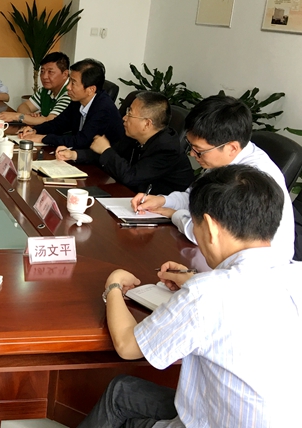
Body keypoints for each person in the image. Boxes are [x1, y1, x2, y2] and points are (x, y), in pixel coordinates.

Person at [86, 165, 300, 427]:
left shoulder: (206, 294)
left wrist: (113, 285)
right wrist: (194, 279)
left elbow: (128, 346)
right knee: (123, 392)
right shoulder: (295, 275)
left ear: (209, 226)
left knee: (121, 401)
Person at [132, 95, 294, 259]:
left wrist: (173, 214)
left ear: (231, 147)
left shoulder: (250, 179)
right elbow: (196, 197)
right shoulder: (226, 157)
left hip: (256, 267)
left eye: (199, 150)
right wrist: (163, 201)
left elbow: (208, 235)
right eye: (191, 146)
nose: (192, 154)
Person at [56, 91, 194, 194]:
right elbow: (110, 154)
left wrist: (105, 150)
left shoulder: (167, 149)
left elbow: (131, 177)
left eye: (130, 113)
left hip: (162, 212)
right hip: (131, 196)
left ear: (147, 123)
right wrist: (74, 154)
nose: (124, 118)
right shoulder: (133, 135)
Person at [17, 58, 124, 148]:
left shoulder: (103, 109)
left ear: (91, 89)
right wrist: (35, 130)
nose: (68, 87)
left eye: (73, 83)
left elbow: (81, 140)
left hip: (101, 162)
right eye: (69, 81)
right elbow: (59, 123)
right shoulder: (78, 100)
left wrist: (43, 138)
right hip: (80, 154)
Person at [0, 52, 70, 125]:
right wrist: (29, 117)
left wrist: (18, 116)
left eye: (50, 72)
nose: (44, 77)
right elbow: (23, 106)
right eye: (42, 71)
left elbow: (51, 121)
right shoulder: (45, 90)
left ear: (65, 74)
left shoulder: (69, 93)